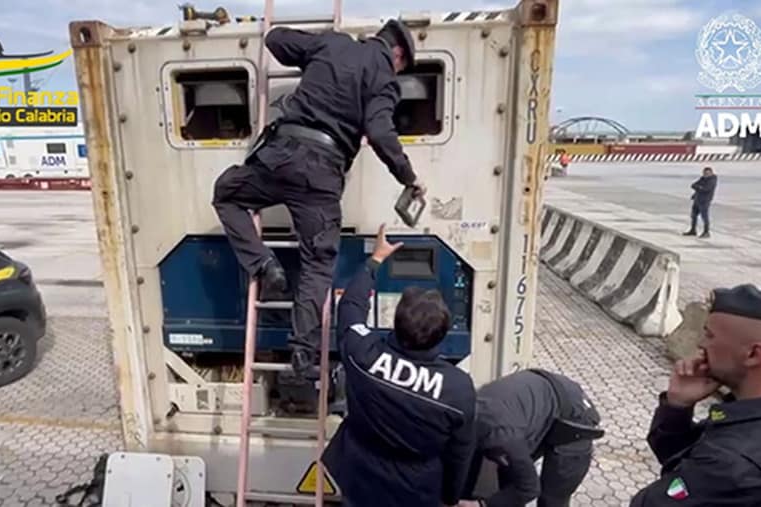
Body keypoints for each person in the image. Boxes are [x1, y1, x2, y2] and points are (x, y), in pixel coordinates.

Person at [211, 19, 427, 379]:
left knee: (226, 194)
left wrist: (309, 49)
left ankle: (264, 264)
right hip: (322, 176)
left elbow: (276, 39)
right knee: (318, 262)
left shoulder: (332, 44)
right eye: (402, 66)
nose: (398, 70)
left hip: (279, 158)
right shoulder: (384, 80)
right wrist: (409, 176)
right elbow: (379, 132)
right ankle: (302, 350)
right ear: (398, 52)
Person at [321, 224, 477, 507]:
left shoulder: (362, 353)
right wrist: (452, 497)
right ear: (441, 335)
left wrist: (375, 260)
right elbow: (460, 452)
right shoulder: (458, 389)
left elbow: (350, 308)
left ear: (396, 323)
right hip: (416, 489)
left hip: (360, 476)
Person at [630, 284, 761, 506]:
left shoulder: (733, 465)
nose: (701, 343)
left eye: (710, 335)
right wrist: (677, 406)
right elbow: (683, 457)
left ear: (754, 354)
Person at [458, 369, 604, 507]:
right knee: (509, 479)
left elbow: (529, 488)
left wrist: (482, 505)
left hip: (575, 418)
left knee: (552, 497)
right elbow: (467, 463)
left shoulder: (502, 436)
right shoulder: (465, 417)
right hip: (536, 400)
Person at [682, 167, 717, 238]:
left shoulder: (712, 180)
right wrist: (698, 188)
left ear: (711, 173)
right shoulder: (703, 179)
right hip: (697, 199)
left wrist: (698, 187)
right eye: (704, 173)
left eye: (707, 173)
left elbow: (706, 189)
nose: (705, 175)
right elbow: (693, 185)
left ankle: (706, 232)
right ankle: (693, 230)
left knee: (704, 216)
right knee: (693, 215)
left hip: (705, 200)